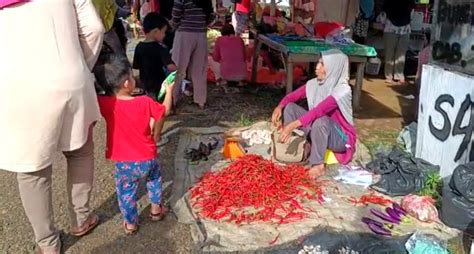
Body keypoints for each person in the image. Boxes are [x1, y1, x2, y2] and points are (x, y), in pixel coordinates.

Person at [0, 0, 104, 253]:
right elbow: (94, 28)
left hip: (17, 87)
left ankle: (47, 243)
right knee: (80, 150)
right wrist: (79, 67)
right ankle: (81, 219)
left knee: (32, 170)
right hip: (70, 79)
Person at [95, 54, 173, 234]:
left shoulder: (105, 104)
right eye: (131, 75)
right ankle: (156, 211)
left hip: (124, 162)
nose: (133, 78)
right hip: (148, 156)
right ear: (126, 84)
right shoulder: (145, 102)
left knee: (126, 193)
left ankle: (131, 223)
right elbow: (164, 112)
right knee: (154, 181)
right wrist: (169, 91)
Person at [271, 49, 357, 179]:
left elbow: (319, 111)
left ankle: (318, 164)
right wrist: (279, 106)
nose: (317, 67)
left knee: (321, 120)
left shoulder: (343, 90)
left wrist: (291, 126)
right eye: (318, 63)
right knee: (290, 108)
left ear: (334, 68)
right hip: (319, 128)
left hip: (340, 138)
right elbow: (292, 97)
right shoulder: (314, 84)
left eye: (322, 64)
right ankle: (297, 146)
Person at [171, 0, 213, 109]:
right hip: (201, 34)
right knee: (199, 69)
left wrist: (174, 25)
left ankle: (172, 99)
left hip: (184, 33)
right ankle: (201, 101)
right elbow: (211, 15)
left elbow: (176, 15)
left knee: (178, 68)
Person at [133, 12, 177, 99]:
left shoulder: (139, 47)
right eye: (163, 32)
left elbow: (136, 66)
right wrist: (179, 71)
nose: (164, 35)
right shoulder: (160, 48)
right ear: (156, 31)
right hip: (159, 83)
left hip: (144, 83)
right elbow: (170, 67)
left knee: (149, 102)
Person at [382, 0, 415, 85]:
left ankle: (398, 75)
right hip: (392, 25)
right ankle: (390, 76)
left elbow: (412, 7)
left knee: (400, 53)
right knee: (391, 52)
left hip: (404, 26)